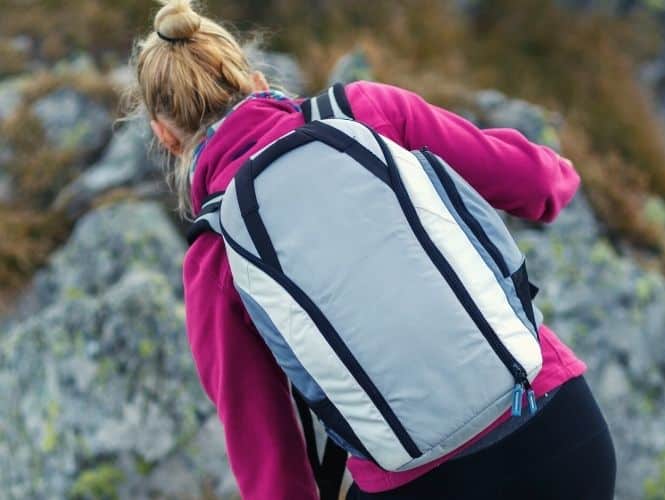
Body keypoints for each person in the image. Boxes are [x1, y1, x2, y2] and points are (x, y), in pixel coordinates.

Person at [128, 1, 616, 498]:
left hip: (422, 483)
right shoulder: (364, 111)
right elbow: (534, 183)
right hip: (560, 435)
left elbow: (270, 461)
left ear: (166, 136)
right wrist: (563, 174)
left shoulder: (213, 255)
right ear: (255, 81)